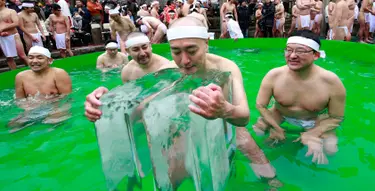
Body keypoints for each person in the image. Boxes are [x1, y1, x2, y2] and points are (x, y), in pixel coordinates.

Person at [85, 17, 276, 181]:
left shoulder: (226, 67)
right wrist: (104, 104)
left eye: (192, 51)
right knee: (171, 180)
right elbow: (139, 107)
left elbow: (243, 116)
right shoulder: (168, 71)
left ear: (206, 44)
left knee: (269, 178)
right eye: (176, 52)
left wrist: (224, 110)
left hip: (230, 126)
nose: (184, 60)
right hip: (188, 130)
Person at [253, 30, 346, 165]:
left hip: (315, 119)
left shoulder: (331, 82)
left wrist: (313, 133)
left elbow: (337, 117)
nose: (292, 56)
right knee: (258, 130)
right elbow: (260, 106)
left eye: (301, 51)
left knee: (331, 150)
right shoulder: (274, 75)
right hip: (281, 114)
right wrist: (276, 128)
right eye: (288, 50)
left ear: (316, 55)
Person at [0, 0, 28, 70]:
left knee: (22, 55)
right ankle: (14, 75)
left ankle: (32, 71)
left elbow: (16, 23)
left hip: (13, 35)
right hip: (2, 37)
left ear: (3, 1)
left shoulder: (11, 11)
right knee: (9, 58)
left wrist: (3, 28)